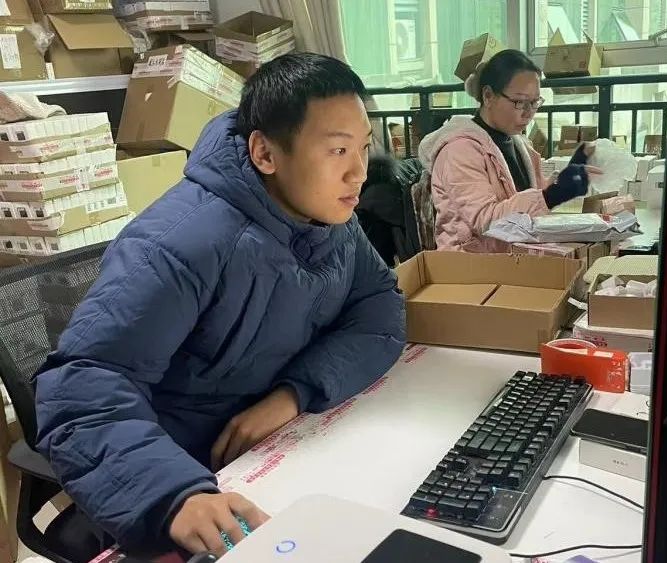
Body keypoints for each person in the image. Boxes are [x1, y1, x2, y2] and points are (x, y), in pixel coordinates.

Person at [34, 53, 406, 556]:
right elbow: (79, 388)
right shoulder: (180, 243)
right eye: (337, 150)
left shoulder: (330, 222)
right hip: (189, 472)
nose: (358, 172)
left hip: (278, 445)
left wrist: (293, 394)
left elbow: (380, 305)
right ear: (265, 154)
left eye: (363, 147)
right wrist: (175, 497)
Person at [418, 49, 598, 252]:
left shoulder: (518, 142)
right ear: (488, 96)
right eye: (519, 102)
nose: (529, 113)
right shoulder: (459, 151)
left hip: (513, 256)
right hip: (471, 263)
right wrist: (551, 195)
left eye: (534, 102)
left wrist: (564, 180)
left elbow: (530, 196)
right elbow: (486, 221)